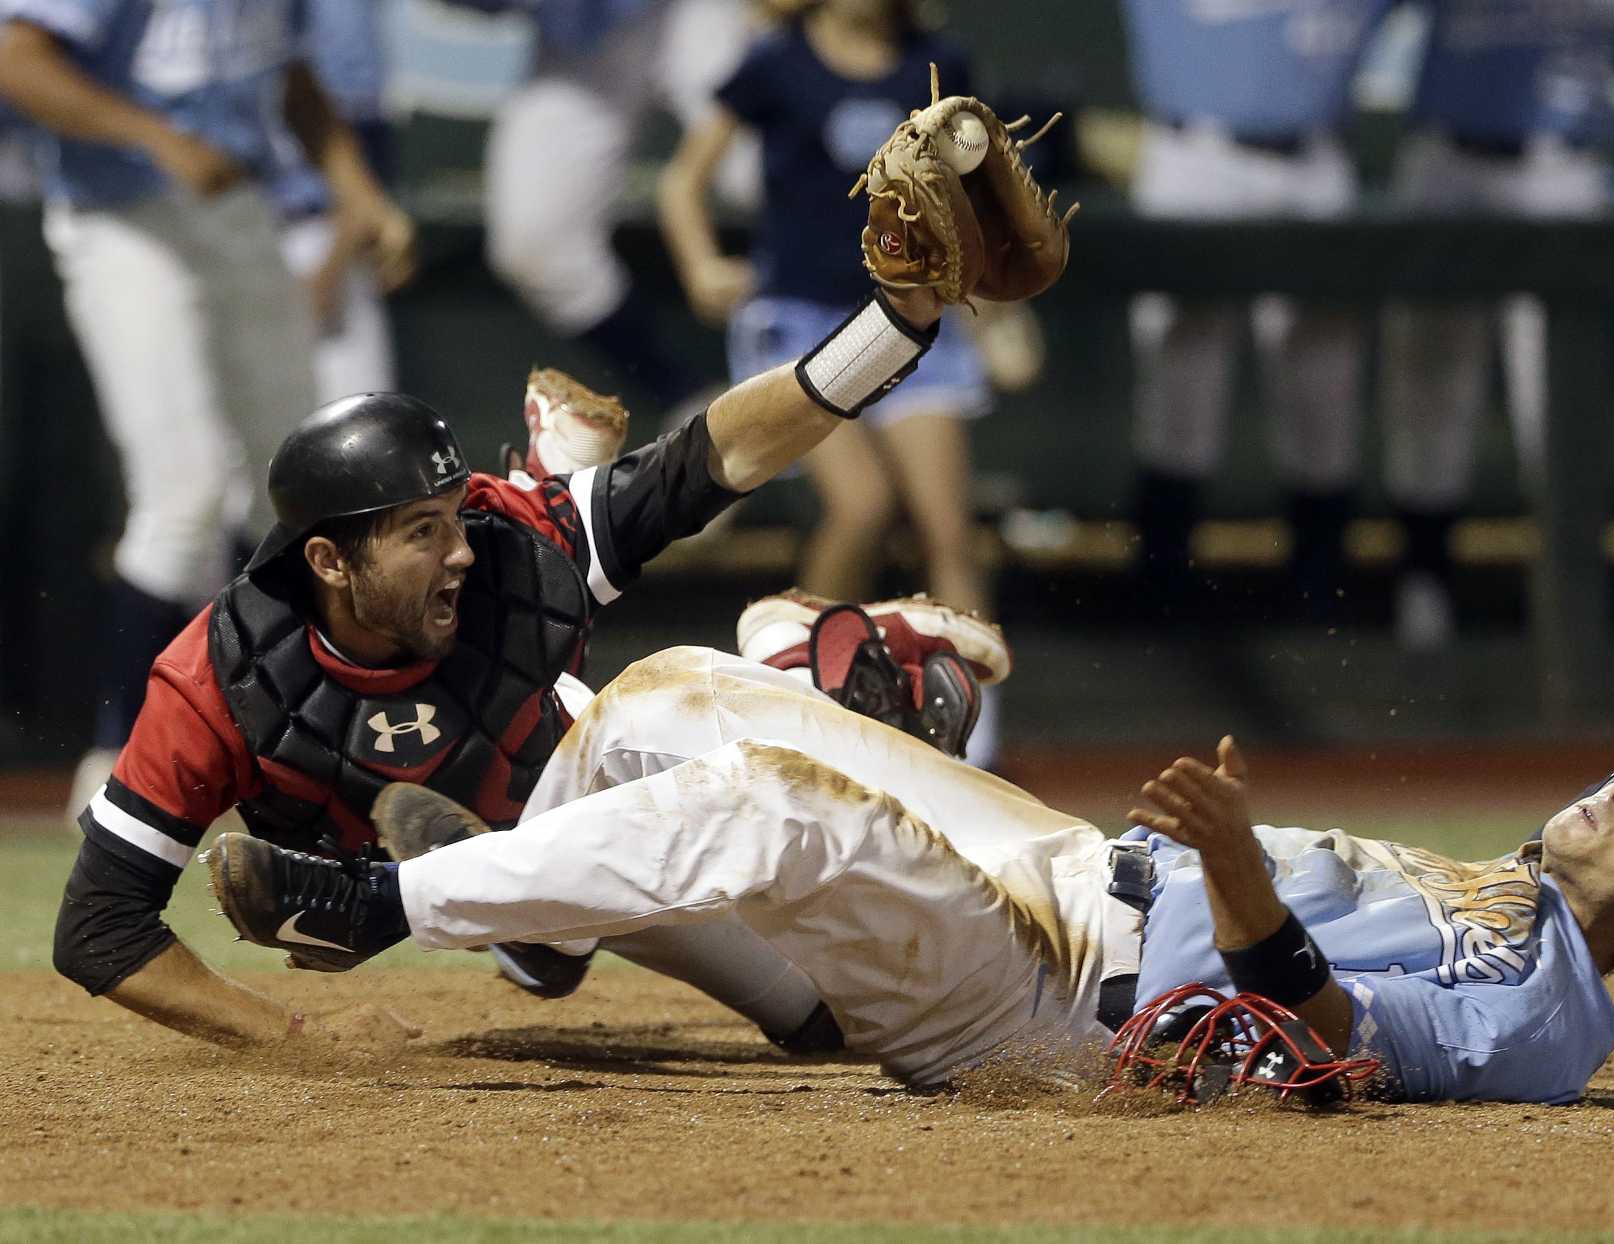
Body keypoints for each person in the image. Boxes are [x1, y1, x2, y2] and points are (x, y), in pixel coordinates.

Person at [207, 643, 1614, 1099]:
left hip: (1074, 1007)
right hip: (1083, 878)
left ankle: (378, 909)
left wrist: (1229, 874)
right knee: (699, 690)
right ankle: (555, 914)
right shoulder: (1542, 885)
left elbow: (1332, 1043)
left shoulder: (1545, 1007)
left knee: (774, 803)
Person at [47, 211, 977, 1054]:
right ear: (329, 561)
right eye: (422, 532)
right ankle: (534, 922)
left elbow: (716, 457)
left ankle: (548, 922)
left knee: (827, 1024)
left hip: (577, 828)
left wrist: (891, 330)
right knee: (574, 830)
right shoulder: (222, 676)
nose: (459, 552)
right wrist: (297, 1037)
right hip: (403, 878)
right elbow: (98, 928)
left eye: (456, 516)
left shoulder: (508, 547)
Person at [0, 0, 411, 813]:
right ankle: (119, 758)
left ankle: (308, 744)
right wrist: (155, 137)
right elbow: (18, 58)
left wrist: (355, 192)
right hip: (122, 217)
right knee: (182, 495)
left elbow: (291, 72)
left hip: (236, 206)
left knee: (299, 491)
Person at [660, 0, 1011, 766]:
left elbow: (975, 202)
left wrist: (1003, 316)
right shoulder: (776, 63)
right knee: (861, 505)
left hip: (916, 316)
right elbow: (683, 182)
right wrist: (699, 265)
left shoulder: (938, 66)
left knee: (947, 529)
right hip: (802, 325)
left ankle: (970, 744)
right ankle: (793, 708)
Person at [1376, 0, 1614, 648]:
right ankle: (1420, 589)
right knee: (1431, 383)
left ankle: (1567, 608)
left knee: (1557, 399)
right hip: (1451, 158)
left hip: (1563, 165)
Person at [1118, 0, 1377, 617]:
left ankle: (1321, 596)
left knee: (1322, 380)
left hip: (1315, 157)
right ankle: (1162, 594)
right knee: (1179, 376)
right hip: (1195, 153)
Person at [478, 0, 761, 413]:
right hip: (583, 35)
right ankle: (684, 396)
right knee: (534, 241)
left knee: (758, 175)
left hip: (705, 12)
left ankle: (858, 345)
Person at [268, 0, 413, 404]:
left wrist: (337, 254)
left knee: (355, 426)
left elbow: (353, 124)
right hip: (238, 234)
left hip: (317, 232)